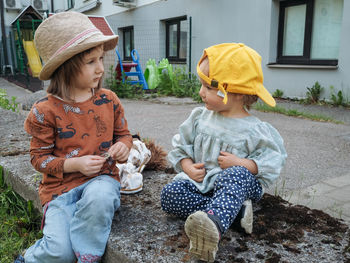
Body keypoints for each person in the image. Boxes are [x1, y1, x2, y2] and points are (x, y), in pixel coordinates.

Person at [15, 12, 133, 263]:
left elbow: (123, 135)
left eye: (101, 58)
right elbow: (39, 159)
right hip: (59, 192)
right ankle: (28, 259)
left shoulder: (108, 100)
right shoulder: (44, 111)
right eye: (91, 61)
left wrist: (123, 147)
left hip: (102, 181)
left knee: (100, 198)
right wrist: (74, 164)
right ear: (65, 67)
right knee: (59, 252)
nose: (101, 68)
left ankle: (88, 258)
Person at [161, 43, 287, 262]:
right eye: (202, 86)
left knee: (235, 174)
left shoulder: (254, 129)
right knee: (169, 194)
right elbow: (182, 145)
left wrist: (242, 163)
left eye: (208, 88)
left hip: (239, 186)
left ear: (237, 93)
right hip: (203, 185)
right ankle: (235, 215)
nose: (201, 92)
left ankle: (214, 227)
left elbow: (272, 161)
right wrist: (188, 166)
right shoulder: (200, 118)